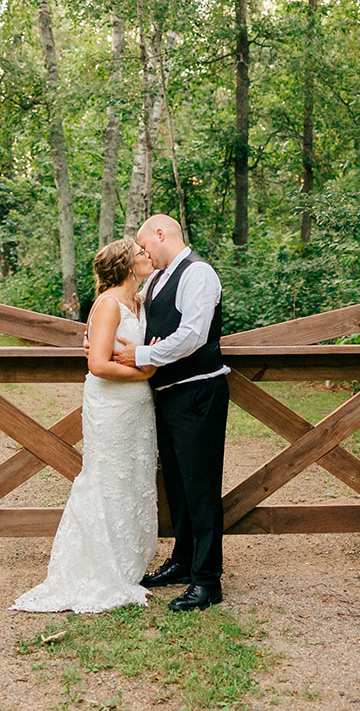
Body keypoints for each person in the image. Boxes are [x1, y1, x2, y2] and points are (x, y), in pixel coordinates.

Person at [11, 238, 158, 613]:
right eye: (141, 253)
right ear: (126, 266)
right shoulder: (109, 304)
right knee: (107, 480)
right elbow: (98, 365)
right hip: (111, 406)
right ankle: (99, 571)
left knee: (133, 480)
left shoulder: (139, 302)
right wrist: (145, 374)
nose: (147, 256)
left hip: (137, 409)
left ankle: (127, 565)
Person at [111, 214, 227, 613]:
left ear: (162, 235)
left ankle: (207, 580)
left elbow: (193, 335)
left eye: (145, 246)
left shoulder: (199, 274)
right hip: (167, 393)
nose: (143, 254)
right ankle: (182, 561)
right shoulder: (157, 278)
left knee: (201, 485)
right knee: (177, 484)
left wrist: (141, 355)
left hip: (198, 392)